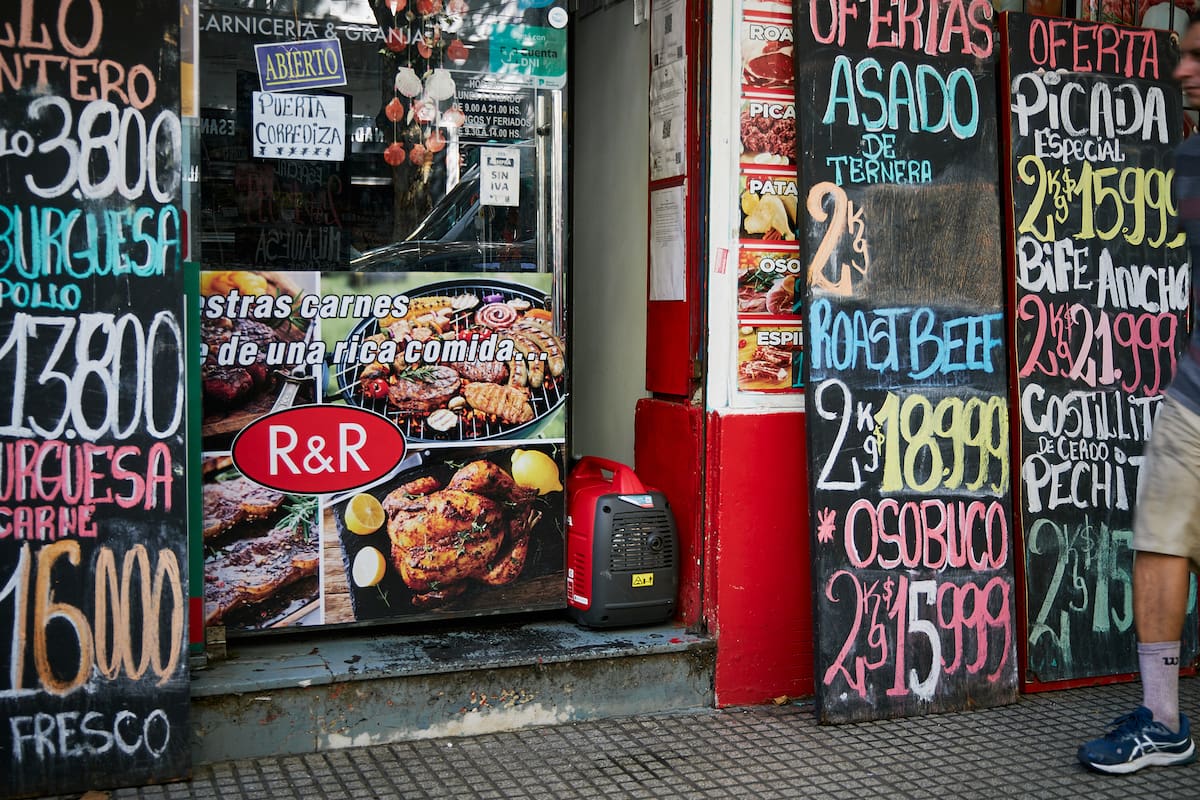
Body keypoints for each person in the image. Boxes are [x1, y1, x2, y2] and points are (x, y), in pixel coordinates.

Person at [1076, 13, 1200, 775]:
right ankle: (1162, 719)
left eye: (1197, 57)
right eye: (1183, 55)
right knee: (1158, 532)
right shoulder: (1190, 159)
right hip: (1195, 391)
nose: (1183, 71)